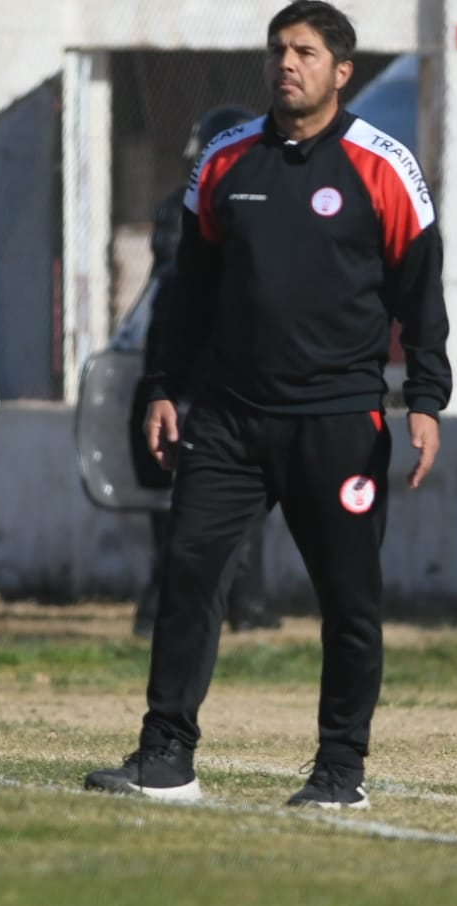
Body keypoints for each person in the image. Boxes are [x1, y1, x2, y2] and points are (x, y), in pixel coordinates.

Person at [84, 0, 452, 808]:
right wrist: (164, 387)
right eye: (279, 50)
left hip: (338, 423)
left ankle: (338, 774)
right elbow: (188, 295)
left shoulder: (382, 165)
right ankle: (165, 759)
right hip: (226, 417)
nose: (288, 63)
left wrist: (424, 399)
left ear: (340, 71)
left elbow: (420, 297)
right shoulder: (223, 160)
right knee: (188, 578)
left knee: (349, 601)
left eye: (306, 52)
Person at [130, 104, 280, 639]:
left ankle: (246, 605)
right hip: (191, 378)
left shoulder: (261, 200)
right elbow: (185, 285)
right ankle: (161, 612)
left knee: (244, 503)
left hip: (233, 374)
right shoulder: (184, 210)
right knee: (183, 506)